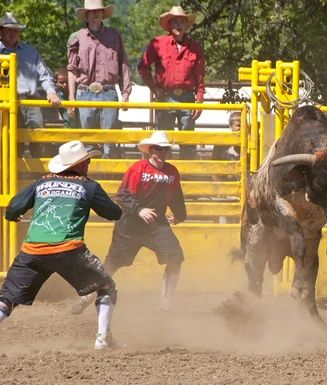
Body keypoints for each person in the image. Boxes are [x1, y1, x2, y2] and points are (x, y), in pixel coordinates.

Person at [0, 140, 122, 349]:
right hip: (69, 250)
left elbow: (13, 208)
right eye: (86, 160)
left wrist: (14, 215)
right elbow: (113, 213)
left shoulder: (42, 182)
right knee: (106, 286)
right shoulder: (88, 185)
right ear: (78, 164)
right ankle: (102, 338)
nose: (89, 163)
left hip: (32, 251)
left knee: (6, 299)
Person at [71, 131, 187, 315]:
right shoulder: (138, 168)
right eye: (159, 148)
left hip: (157, 225)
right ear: (150, 150)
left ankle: (166, 303)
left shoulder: (172, 172)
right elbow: (123, 195)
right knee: (112, 264)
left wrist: (180, 216)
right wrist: (139, 209)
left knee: (175, 256)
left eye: (165, 149)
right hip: (130, 225)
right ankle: (86, 298)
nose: (163, 152)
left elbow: (176, 197)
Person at [67, 0, 131, 159]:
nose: (96, 14)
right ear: (86, 15)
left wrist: (125, 94)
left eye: (99, 11)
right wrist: (71, 98)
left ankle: (107, 175)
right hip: (84, 91)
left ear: (103, 14)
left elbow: (123, 65)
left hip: (109, 91)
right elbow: (72, 69)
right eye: (92, 11)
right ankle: (89, 175)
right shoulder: (76, 37)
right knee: (87, 139)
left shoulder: (114, 36)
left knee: (109, 140)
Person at [138, 6, 206, 160]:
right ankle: (163, 176)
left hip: (188, 97)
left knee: (187, 140)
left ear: (186, 25)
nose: (179, 25)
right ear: (169, 25)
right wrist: (154, 89)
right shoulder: (157, 43)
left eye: (182, 21)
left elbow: (200, 75)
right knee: (162, 140)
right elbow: (143, 66)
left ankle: (187, 178)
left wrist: (199, 100)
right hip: (164, 96)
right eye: (175, 22)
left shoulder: (195, 47)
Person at [0, 12, 61, 157]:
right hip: (4, 103)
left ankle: (36, 171)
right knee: (9, 139)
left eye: (15, 30)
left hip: (30, 100)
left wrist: (51, 92)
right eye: (9, 30)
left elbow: (45, 75)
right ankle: (10, 174)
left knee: (37, 133)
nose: (13, 33)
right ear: (1, 31)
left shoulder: (30, 51)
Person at [212, 112, 241, 181]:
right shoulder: (221, 144)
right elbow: (214, 171)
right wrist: (221, 189)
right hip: (226, 184)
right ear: (230, 127)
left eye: (244, 125)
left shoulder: (252, 144)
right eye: (238, 125)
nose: (242, 129)